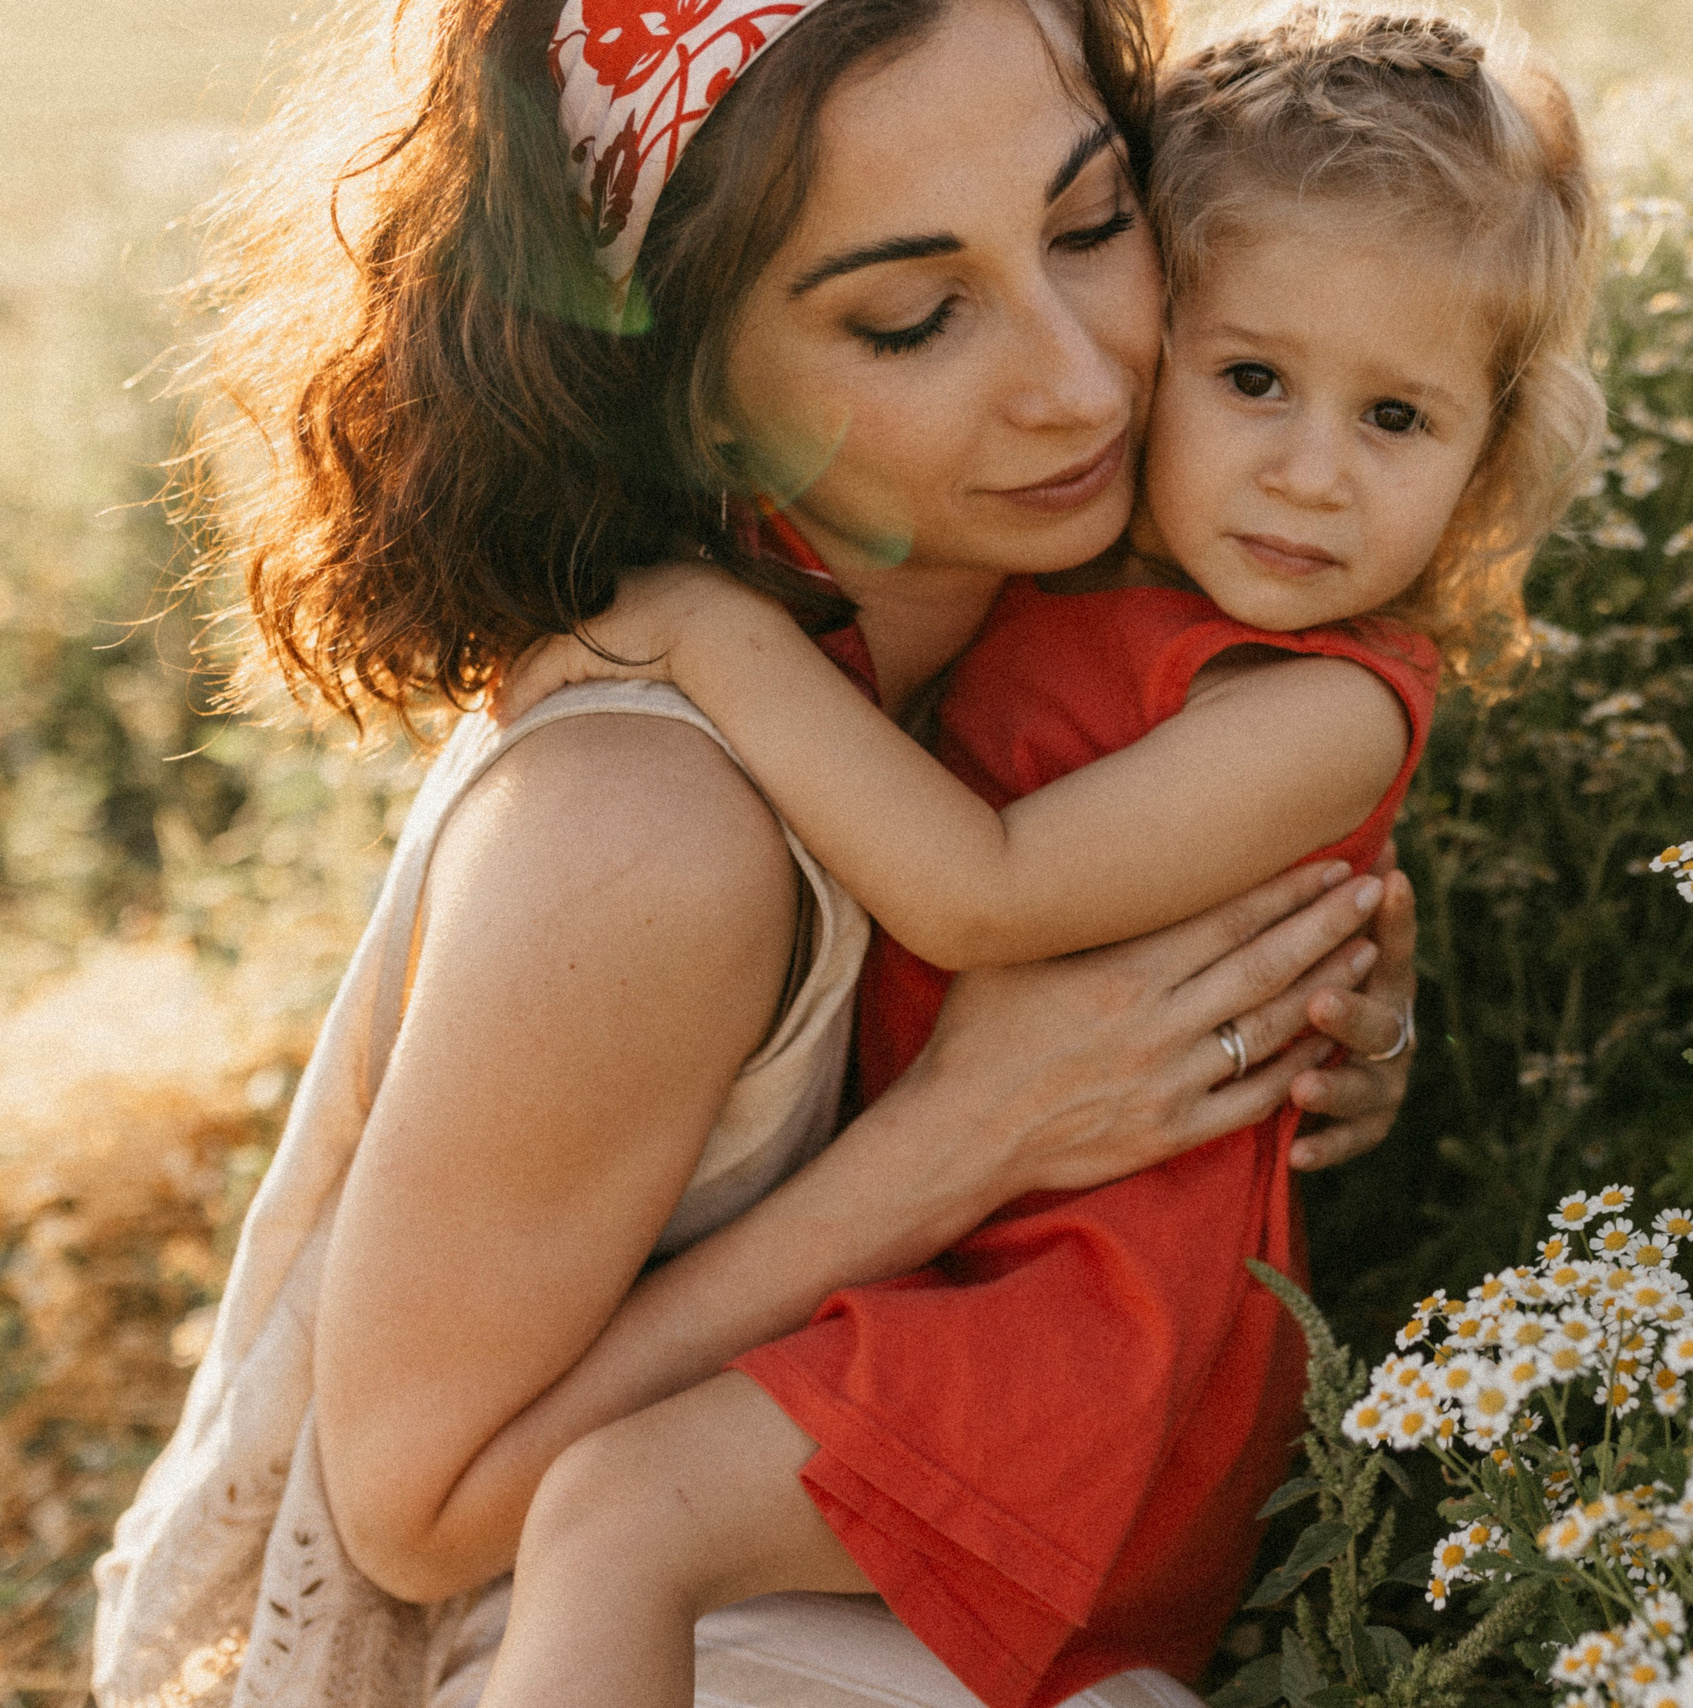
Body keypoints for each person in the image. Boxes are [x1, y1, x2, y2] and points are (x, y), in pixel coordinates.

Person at [87, 2, 1426, 1704]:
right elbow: (415, 1518)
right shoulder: (646, 841)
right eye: (911, 317)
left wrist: (1334, 1011)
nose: (1081, 378)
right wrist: (968, 1135)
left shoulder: (1064, 581)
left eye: (1095, 225)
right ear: (687, 391)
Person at [476, 10, 1602, 1706]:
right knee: (613, 1517)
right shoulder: (1087, 583)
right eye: (1250, 380)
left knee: (618, 1517)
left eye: (1398, 417)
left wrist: (711, 638)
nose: (1310, 473)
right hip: (994, 1279)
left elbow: (977, 889)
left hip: (1092, 1342)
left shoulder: (1328, 705)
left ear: (1489, 451)